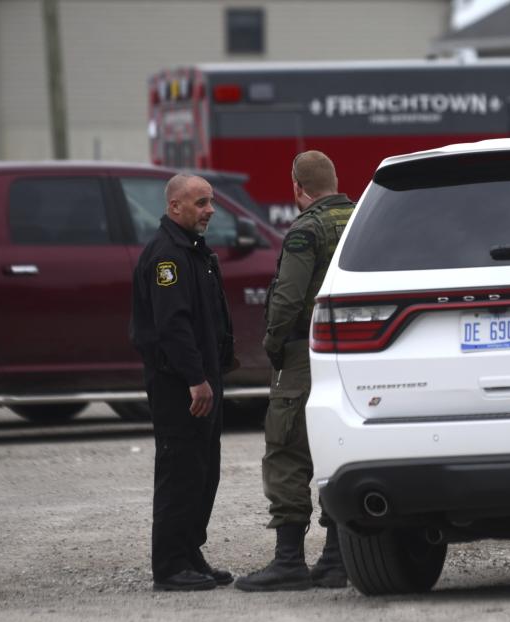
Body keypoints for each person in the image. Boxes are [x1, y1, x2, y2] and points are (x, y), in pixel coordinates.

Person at [235, 151, 354, 592]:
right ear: (336, 180)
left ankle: (289, 561)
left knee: (286, 449)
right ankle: (337, 557)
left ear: (297, 188)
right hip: (354, 352)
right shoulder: (362, 217)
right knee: (335, 443)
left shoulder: (307, 228)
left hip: (304, 353)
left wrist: (272, 343)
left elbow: (288, 297)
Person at [130, 174, 236, 591]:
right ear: (175, 207)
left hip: (204, 380)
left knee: (203, 472)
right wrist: (195, 379)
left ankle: (191, 555)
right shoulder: (167, 258)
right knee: (180, 472)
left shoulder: (195, 252)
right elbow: (172, 327)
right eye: (201, 203)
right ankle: (171, 566)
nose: (210, 209)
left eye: (210, 202)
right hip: (180, 386)